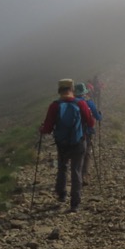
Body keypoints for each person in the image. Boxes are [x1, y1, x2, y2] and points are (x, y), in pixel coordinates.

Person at [39, 79, 94, 212]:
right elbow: (91, 122)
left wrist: (42, 129)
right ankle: (75, 204)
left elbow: (47, 128)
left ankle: (62, 194)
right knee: (76, 170)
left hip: (62, 143)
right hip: (79, 142)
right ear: (72, 89)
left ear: (59, 90)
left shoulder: (55, 106)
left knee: (62, 168)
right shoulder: (80, 103)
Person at [74, 82, 102, 183]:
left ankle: (74, 175)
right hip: (86, 132)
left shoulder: (69, 102)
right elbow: (98, 117)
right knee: (86, 153)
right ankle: (83, 175)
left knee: (74, 155)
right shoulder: (88, 102)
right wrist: (99, 115)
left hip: (71, 133)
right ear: (84, 92)